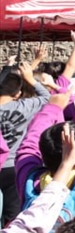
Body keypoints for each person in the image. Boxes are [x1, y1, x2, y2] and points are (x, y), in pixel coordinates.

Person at [0, 62, 50, 224]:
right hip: (12, 165)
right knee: (12, 210)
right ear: (17, 93)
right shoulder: (24, 106)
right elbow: (47, 97)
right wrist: (31, 80)